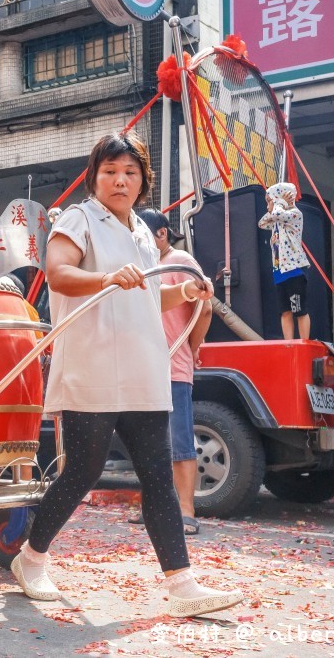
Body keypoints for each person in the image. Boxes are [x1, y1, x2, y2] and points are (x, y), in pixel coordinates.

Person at [10, 132, 243, 618]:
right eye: (111, 170)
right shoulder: (79, 218)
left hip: (143, 368)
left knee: (157, 476)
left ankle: (182, 583)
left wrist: (183, 296)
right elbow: (58, 274)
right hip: (93, 367)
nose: (120, 179)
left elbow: (142, 295)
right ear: (95, 175)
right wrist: (106, 277)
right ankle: (30, 559)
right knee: (82, 473)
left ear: (143, 180)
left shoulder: (141, 231)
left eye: (130, 172)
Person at [127, 209, 211, 536]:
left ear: (161, 234)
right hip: (143, 368)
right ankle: (154, 506)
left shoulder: (179, 260)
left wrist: (191, 347)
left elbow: (203, 307)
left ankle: (186, 511)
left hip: (172, 367)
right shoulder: (144, 267)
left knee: (179, 443)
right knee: (149, 443)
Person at [257, 182, 310, 340]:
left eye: (269, 201)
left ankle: (304, 341)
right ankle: (289, 343)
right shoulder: (276, 220)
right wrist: (273, 206)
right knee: (284, 310)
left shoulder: (295, 214)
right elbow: (262, 223)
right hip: (280, 270)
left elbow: (277, 215)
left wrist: (279, 203)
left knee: (299, 309)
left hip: (294, 269)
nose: (268, 206)